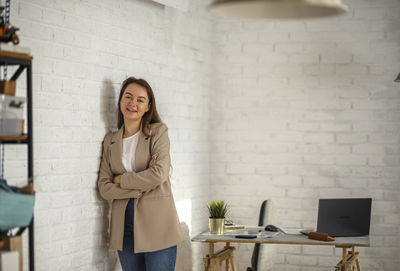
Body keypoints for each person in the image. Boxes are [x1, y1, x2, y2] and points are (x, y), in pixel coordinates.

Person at [98, 77, 184, 271]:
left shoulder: (158, 132)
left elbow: (159, 174)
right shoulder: (110, 141)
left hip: (158, 224)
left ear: (148, 107)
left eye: (140, 100)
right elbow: (104, 188)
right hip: (124, 225)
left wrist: (120, 179)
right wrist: (138, 188)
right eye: (128, 97)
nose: (133, 103)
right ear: (120, 101)